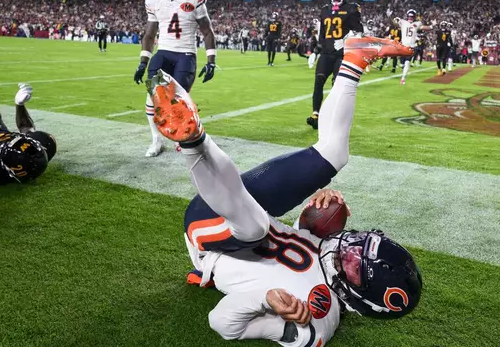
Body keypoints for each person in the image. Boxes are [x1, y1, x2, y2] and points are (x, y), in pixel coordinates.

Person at [145, 35, 420, 346]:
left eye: (357, 264)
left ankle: (193, 139)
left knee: (255, 228)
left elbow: (222, 323)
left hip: (211, 239)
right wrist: (319, 204)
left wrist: (265, 299)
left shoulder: (317, 318)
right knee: (332, 155)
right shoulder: (331, 256)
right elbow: (299, 232)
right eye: (361, 245)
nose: (351, 249)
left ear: (359, 296)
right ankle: (355, 59)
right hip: (238, 204)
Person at [133, 0, 217, 157]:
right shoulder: (153, 0)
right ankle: (156, 140)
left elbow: (207, 31)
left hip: (186, 53)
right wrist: (143, 61)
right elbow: (150, 34)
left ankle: (184, 136)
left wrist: (211, 61)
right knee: (153, 95)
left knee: (178, 99)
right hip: (163, 52)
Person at [308, 0, 363, 130]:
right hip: (326, 52)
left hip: (342, 54)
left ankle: (332, 116)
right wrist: (315, 51)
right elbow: (322, 34)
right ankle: (315, 114)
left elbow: (359, 32)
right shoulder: (325, 10)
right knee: (318, 81)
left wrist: (345, 40)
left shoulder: (352, 8)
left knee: (336, 85)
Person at [394, 9, 431, 85]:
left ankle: (403, 78)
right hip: (405, 46)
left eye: (412, 17)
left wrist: (431, 27)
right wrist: (431, 26)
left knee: (407, 63)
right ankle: (402, 75)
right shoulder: (414, 23)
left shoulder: (405, 22)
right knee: (403, 63)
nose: (410, 18)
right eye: (410, 16)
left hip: (408, 46)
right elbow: (394, 23)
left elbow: (394, 22)